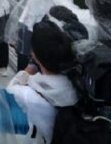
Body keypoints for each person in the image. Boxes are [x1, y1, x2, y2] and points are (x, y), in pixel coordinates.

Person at [6, 8, 86, 144]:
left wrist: (29, 69)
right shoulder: (79, 83)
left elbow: (9, 93)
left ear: (35, 56)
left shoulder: (26, 93)